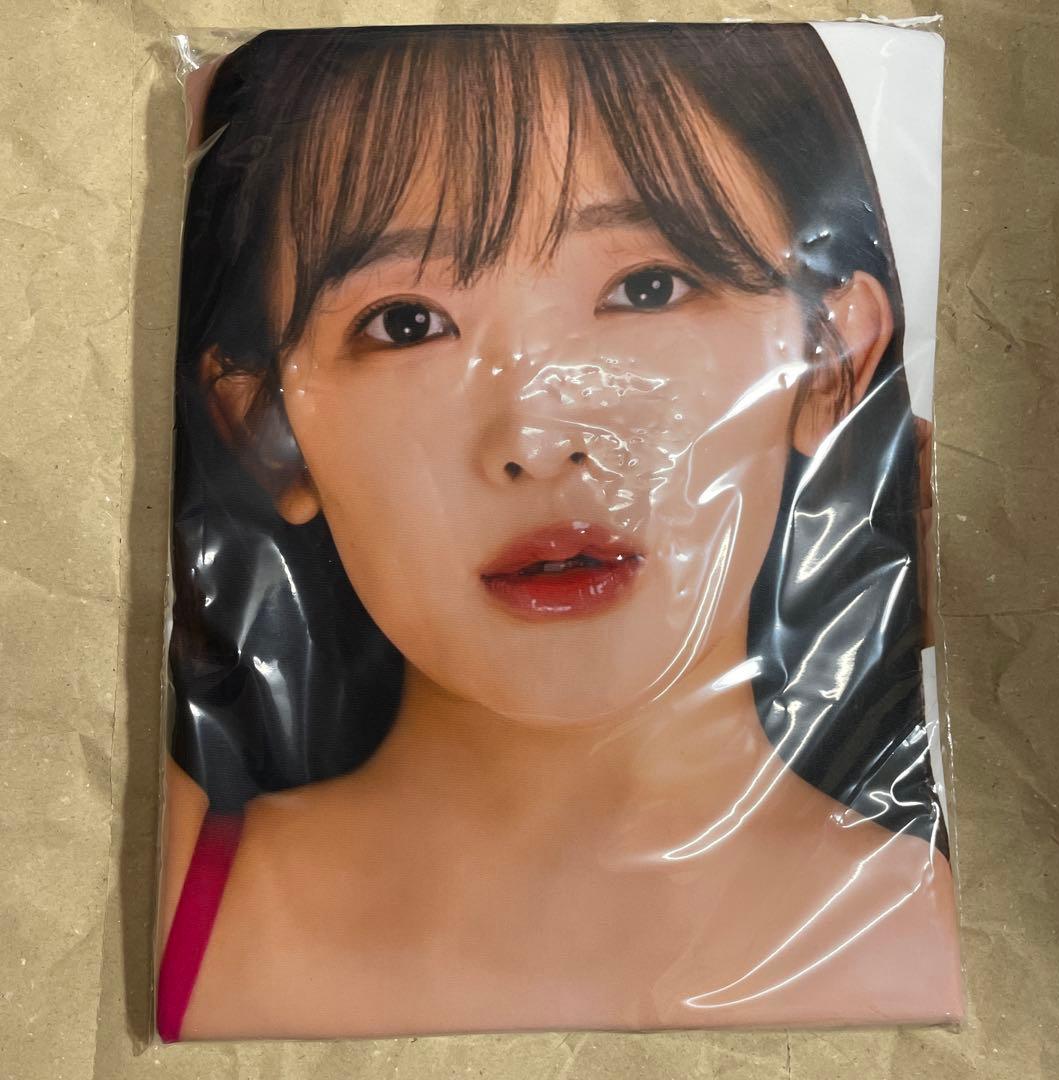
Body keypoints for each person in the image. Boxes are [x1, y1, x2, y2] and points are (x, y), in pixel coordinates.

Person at [158, 23, 963, 1040]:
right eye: (407, 323)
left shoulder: (992, 914)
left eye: (648, 287)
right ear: (266, 428)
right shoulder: (148, 885)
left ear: (831, 360)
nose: (538, 442)